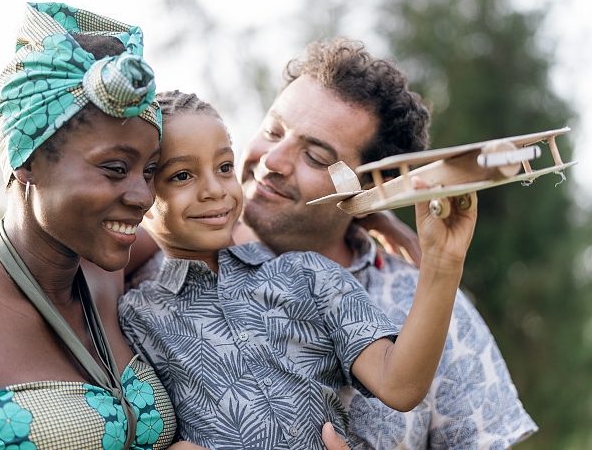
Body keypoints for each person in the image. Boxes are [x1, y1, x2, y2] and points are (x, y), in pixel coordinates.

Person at [118, 89, 478, 450]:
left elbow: (399, 386)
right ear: (141, 191)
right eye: (182, 175)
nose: (215, 189)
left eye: (225, 167)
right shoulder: (133, 316)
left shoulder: (308, 275)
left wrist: (442, 265)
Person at [0, 2, 207, 450]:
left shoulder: (108, 277)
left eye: (149, 170)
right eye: (115, 168)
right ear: (27, 161)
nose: (143, 196)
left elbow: (210, 228)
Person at [235, 37, 538, 449]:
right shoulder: (160, 256)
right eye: (273, 131)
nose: (272, 160)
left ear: (371, 189)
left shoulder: (431, 311)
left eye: (316, 157)